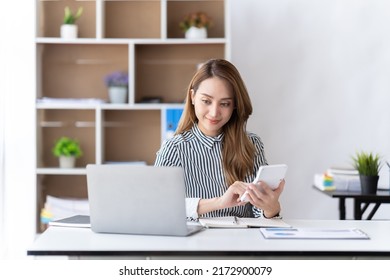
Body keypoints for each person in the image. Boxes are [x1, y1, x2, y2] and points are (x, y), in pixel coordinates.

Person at [155, 58, 284, 220]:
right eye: (206, 101)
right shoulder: (174, 149)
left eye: (224, 104)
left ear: (235, 105)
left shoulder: (251, 144)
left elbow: (258, 213)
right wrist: (219, 202)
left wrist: (271, 209)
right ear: (193, 97)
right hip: (193, 243)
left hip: (241, 242)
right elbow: (158, 207)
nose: (214, 112)